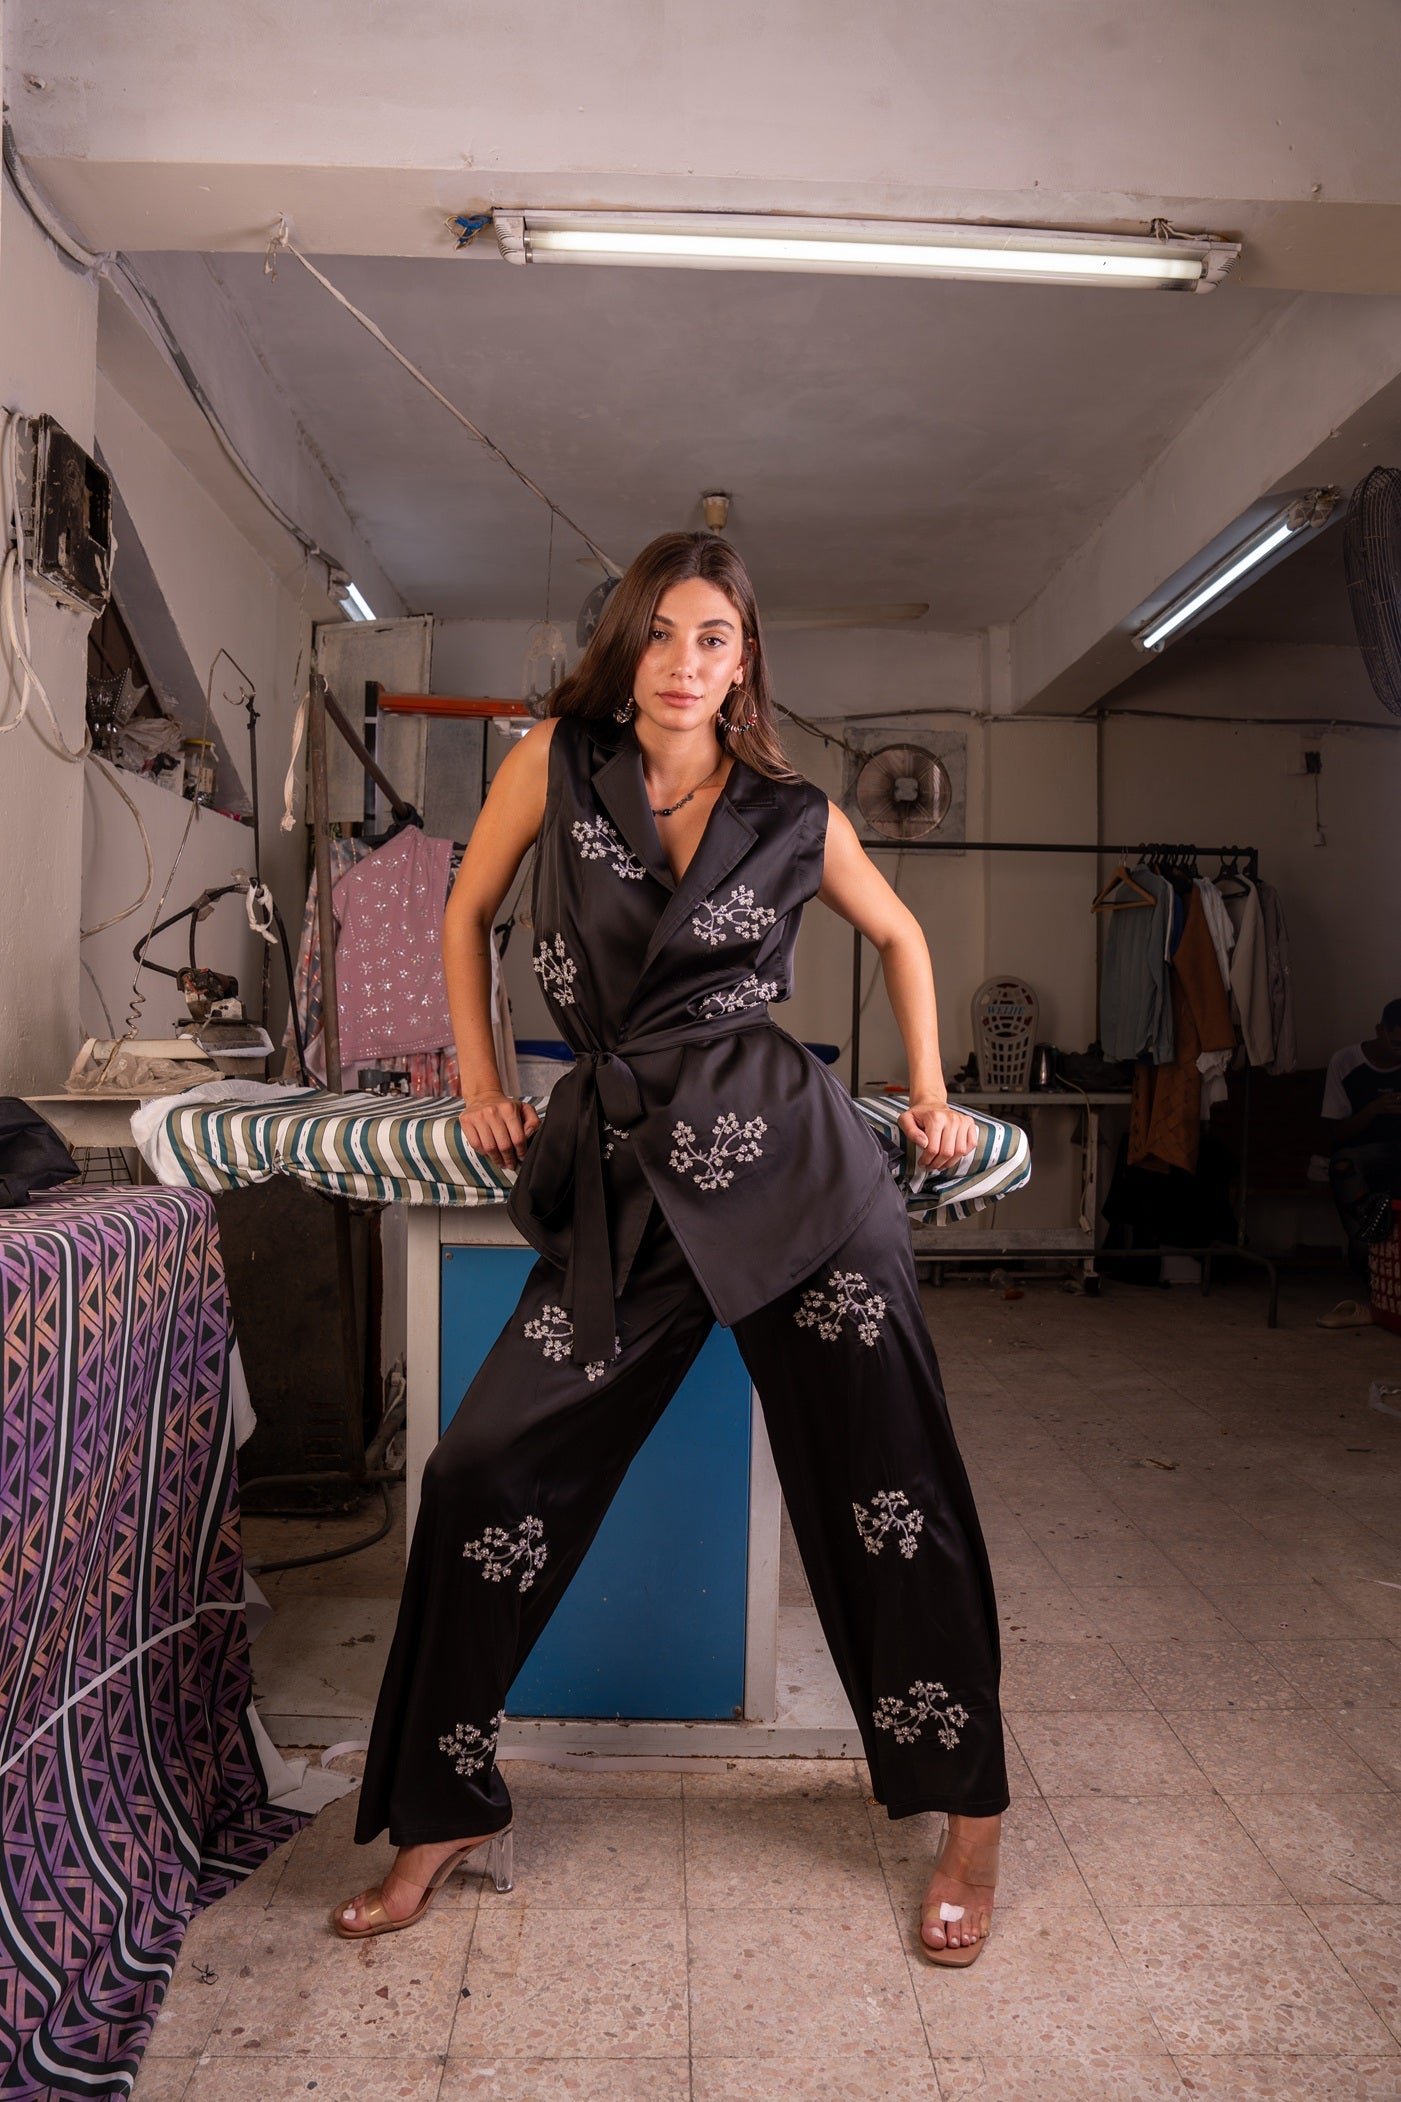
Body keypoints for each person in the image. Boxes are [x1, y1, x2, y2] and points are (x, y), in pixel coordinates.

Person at [334, 531, 1009, 1966]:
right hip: (628, 1183)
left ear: (744, 659)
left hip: (801, 1180)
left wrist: (933, 1093)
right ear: (622, 645)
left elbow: (900, 936)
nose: (683, 664)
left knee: (895, 1488)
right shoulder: (554, 763)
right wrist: (475, 1080)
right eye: (659, 635)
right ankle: (444, 1806)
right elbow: (465, 910)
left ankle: (969, 1814)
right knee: (481, 1467)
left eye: (713, 638)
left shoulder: (793, 808)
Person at [1323, 1000, 1401, 1260]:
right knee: (1344, 1165)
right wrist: (1373, 1110)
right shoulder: (1346, 1062)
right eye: (1397, 1044)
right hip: (1359, 1152)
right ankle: (1369, 1251)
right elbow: (1338, 1134)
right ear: (1380, 1030)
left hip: (1396, 1151)